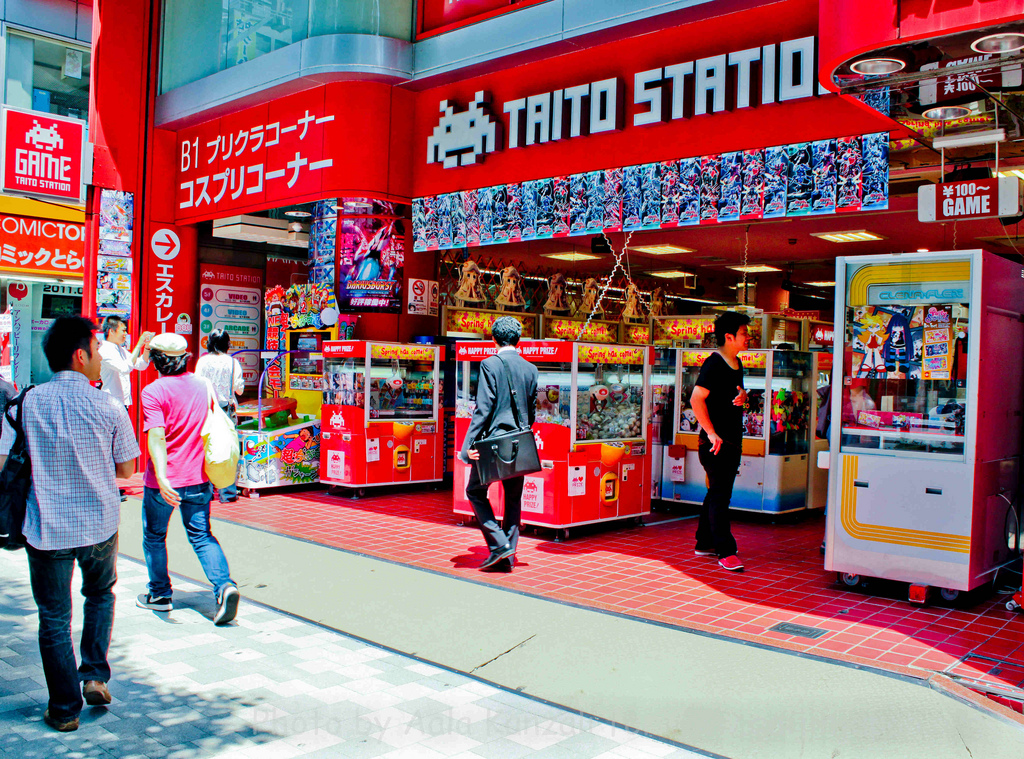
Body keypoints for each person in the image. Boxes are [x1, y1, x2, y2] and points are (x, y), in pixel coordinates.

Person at [0, 316, 139, 732]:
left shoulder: (25, 403)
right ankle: (94, 675)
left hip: (46, 527)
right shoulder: (109, 405)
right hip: (100, 525)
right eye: (96, 351)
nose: (99, 358)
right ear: (80, 356)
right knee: (99, 594)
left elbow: (4, 462)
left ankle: (64, 710)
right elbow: (127, 469)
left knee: (54, 618)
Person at [137, 333, 240, 625]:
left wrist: (162, 476)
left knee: (154, 537)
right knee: (201, 535)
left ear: (157, 360)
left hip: (164, 483)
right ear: (185, 359)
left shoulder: (153, 391)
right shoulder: (202, 385)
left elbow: (157, 436)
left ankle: (160, 595)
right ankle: (224, 586)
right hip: (198, 477)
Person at [459, 316, 538, 572]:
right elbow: (531, 413)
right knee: (513, 499)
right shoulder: (530, 368)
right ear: (519, 339)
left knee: (475, 491)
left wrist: (467, 446)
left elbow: (483, 409)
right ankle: (507, 557)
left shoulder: (489, 364)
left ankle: (499, 544)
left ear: (493, 339)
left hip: (493, 444)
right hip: (519, 442)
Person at [689, 311, 750, 572]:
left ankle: (704, 541)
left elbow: (733, 394)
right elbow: (696, 399)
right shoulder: (713, 364)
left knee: (717, 491)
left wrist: (744, 395)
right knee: (721, 495)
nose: (748, 337)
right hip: (715, 443)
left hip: (732, 440)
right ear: (729, 336)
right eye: (744, 333)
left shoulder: (737, 363)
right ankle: (726, 550)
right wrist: (711, 432)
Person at [194, 329, 244, 503]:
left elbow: (197, 383)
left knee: (206, 448)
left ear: (209, 343)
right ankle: (228, 492)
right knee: (228, 449)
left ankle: (206, 490)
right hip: (226, 409)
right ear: (227, 344)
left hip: (206, 408)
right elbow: (239, 389)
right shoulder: (233, 362)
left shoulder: (202, 361)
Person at [98, 316, 154, 407]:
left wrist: (147, 348)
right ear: (111, 331)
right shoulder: (105, 350)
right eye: (123, 330)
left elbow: (141, 365)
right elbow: (125, 368)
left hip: (121, 402)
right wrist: (139, 345)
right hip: (110, 402)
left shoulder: (121, 349)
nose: (126, 334)